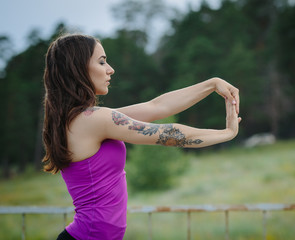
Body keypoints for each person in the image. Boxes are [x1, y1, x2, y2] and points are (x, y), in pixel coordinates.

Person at [42, 33, 241, 240]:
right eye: (101, 62)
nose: (110, 69)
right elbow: (168, 134)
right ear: (78, 69)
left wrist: (212, 84)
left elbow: (156, 107)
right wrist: (226, 133)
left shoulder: (83, 120)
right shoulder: (94, 120)